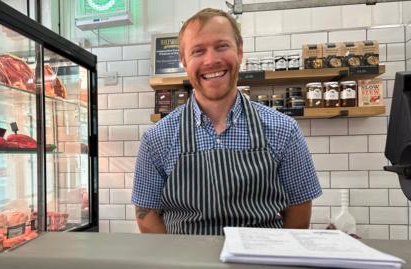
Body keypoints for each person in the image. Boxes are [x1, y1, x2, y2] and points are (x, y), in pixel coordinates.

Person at [131, 8, 322, 235]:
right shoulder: (157, 138)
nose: (211, 60)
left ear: (240, 52)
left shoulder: (283, 129)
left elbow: (299, 209)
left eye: (221, 46)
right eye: (198, 51)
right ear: (183, 60)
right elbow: (146, 215)